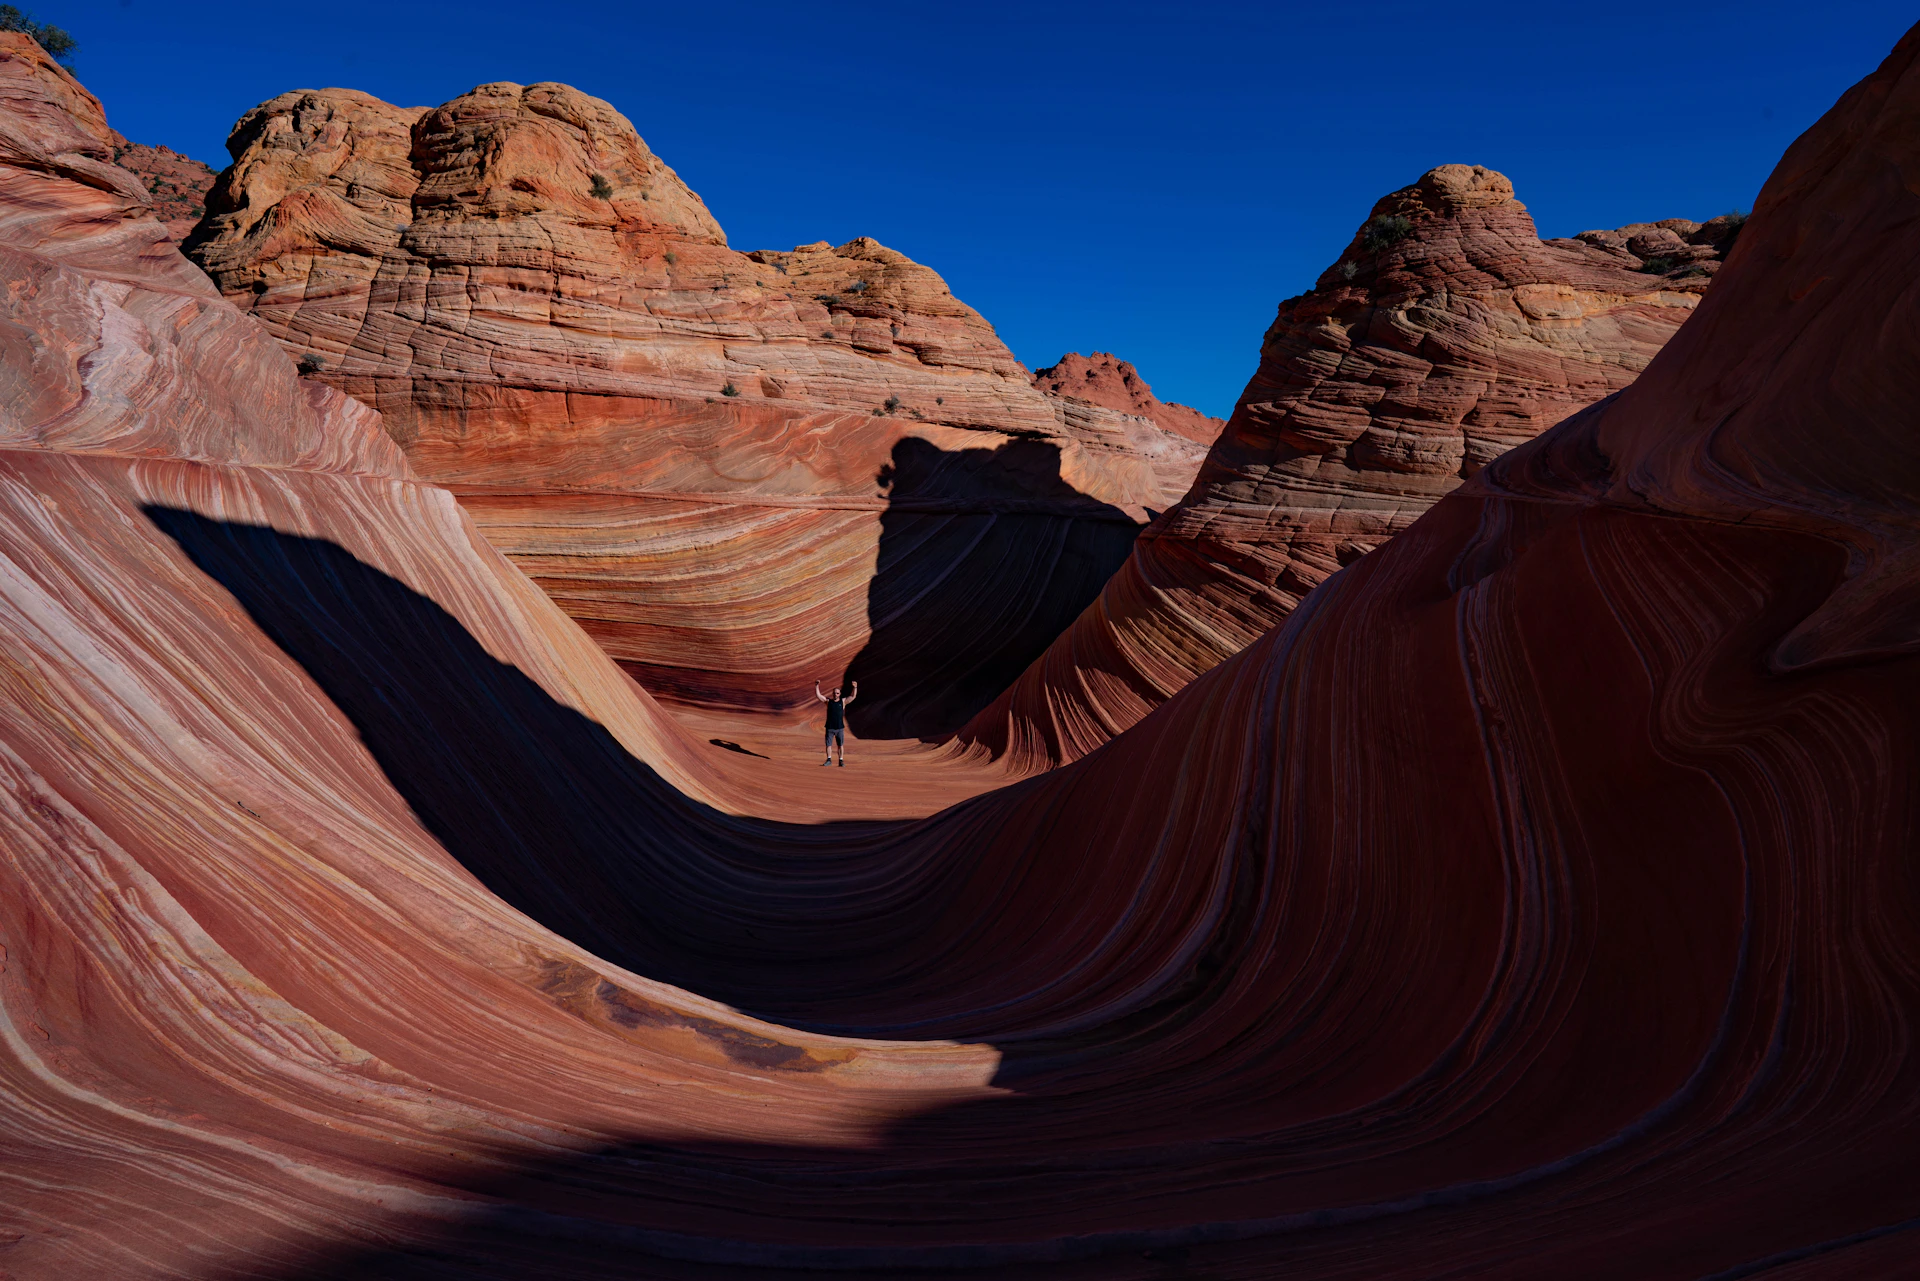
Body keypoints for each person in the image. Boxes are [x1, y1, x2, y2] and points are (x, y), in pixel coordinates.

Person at [814, 679, 857, 766]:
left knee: (840, 745)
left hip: (839, 728)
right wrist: (816, 686)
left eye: (837, 693)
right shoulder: (828, 702)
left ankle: (841, 760)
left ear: (840, 694)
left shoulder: (843, 701)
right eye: (834, 693)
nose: (835, 694)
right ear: (832, 693)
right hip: (829, 727)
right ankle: (829, 759)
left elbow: (853, 696)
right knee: (828, 745)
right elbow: (819, 696)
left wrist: (855, 687)